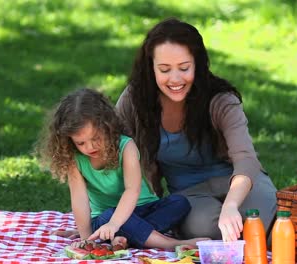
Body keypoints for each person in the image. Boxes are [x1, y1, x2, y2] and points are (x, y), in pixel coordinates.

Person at [116, 18, 278, 242]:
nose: (175, 79)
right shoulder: (136, 100)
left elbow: (246, 159)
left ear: (197, 65)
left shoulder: (221, 100)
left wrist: (231, 205)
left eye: (184, 68)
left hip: (238, 183)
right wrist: (105, 220)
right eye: (164, 69)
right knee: (205, 231)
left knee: (259, 225)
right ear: (150, 68)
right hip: (189, 194)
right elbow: (114, 155)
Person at [36, 88, 208, 249]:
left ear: (108, 128)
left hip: (142, 210)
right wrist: (86, 238)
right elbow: (79, 199)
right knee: (111, 215)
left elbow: (132, 190)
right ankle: (170, 244)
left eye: (95, 138)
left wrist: (116, 225)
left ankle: (122, 235)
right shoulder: (75, 158)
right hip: (105, 217)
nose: (89, 147)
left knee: (179, 202)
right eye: (80, 143)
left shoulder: (126, 147)